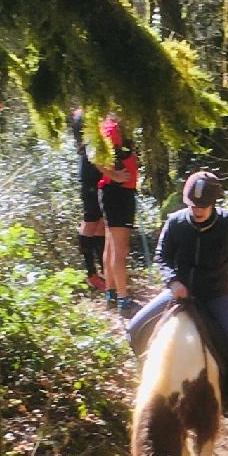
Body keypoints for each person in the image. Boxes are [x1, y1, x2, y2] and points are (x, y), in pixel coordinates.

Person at [125, 171, 228, 419]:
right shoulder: (176, 222)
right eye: (192, 205)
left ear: (213, 204)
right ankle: (148, 379)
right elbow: (162, 256)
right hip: (180, 292)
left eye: (203, 206)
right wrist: (173, 281)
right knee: (134, 328)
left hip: (216, 294)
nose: (197, 211)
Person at [97, 113, 140, 318]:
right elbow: (95, 155)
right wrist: (114, 175)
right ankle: (123, 300)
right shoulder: (111, 128)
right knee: (120, 249)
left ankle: (112, 294)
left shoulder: (118, 129)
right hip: (117, 193)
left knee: (111, 245)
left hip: (118, 192)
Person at [73, 109, 106, 291]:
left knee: (101, 223)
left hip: (100, 175)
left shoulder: (95, 113)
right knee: (90, 221)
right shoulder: (83, 115)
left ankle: (104, 269)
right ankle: (91, 273)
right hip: (90, 175)